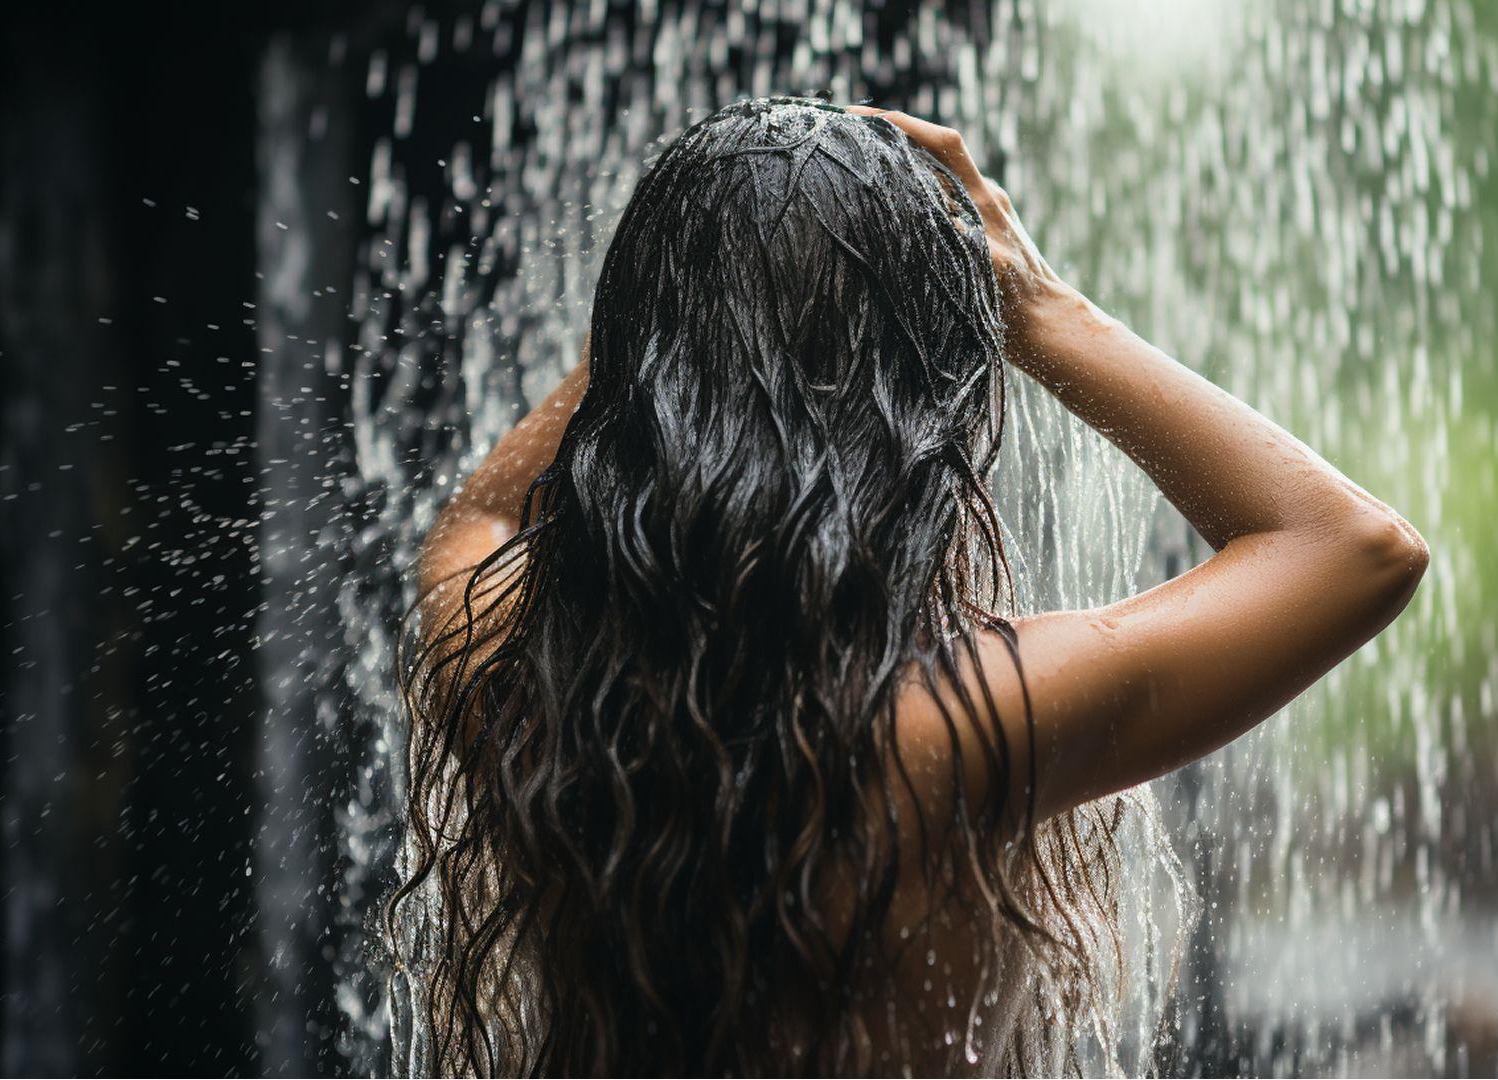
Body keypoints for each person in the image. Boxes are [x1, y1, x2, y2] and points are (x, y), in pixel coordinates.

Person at [395, 96, 1427, 1077]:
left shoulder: (517, 688)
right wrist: (1046, 312)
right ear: (918, 402)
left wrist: (662, 328)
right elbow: (1352, 548)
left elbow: (477, 523)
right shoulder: (950, 727)